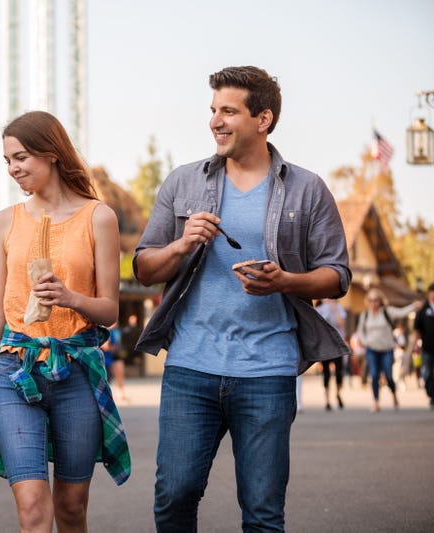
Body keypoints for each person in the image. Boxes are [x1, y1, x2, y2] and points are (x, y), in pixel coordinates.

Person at [133, 66, 351, 531]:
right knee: (174, 496)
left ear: (263, 118)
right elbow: (144, 268)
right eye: (213, 110)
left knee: (263, 512)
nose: (215, 120)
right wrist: (180, 243)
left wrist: (285, 282)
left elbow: (337, 275)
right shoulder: (183, 183)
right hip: (191, 366)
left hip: (267, 370)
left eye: (228, 111)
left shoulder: (307, 189)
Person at [0, 110, 130, 532]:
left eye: (20, 157)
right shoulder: (5, 220)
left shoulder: (99, 217)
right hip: (14, 369)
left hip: (76, 371)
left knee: (72, 509)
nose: (13, 169)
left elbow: (110, 310)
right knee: (33, 511)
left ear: (52, 153)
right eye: (7, 160)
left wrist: (70, 298)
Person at [357, 288, 420, 412]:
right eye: (370, 300)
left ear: (380, 301)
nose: (373, 303)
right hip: (372, 349)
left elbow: (402, 312)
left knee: (389, 375)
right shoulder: (365, 315)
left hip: (387, 348)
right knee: (374, 375)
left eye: (375, 300)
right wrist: (365, 342)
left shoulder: (387, 312)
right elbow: (360, 332)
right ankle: (376, 402)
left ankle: (394, 394)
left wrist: (414, 306)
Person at [316, 298, 347, 410]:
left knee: (339, 372)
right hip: (324, 345)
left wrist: (334, 310)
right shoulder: (319, 310)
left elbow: (341, 324)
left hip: (337, 345)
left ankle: (338, 393)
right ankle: (327, 400)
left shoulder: (339, 309)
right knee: (326, 373)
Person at [413, 283, 434, 408]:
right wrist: (417, 343)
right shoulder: (423, 309)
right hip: (427, 347)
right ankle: (431, 393)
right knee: (426, 373)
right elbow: (417, 328)